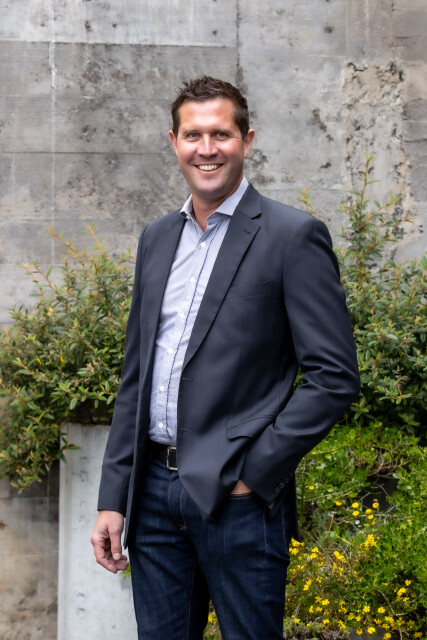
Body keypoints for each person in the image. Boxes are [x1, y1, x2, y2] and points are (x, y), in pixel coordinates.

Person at [91, 76, 360, 640]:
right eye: (193, 135)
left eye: (221, 134)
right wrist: (113, 497)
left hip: (238, 501)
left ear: (246, 140)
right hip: (151, 499)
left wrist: (254, 474)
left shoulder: (293, 236)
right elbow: (136, 376)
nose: (206, 149)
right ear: (174, 142)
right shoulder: (157, 238)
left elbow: (334, 377)